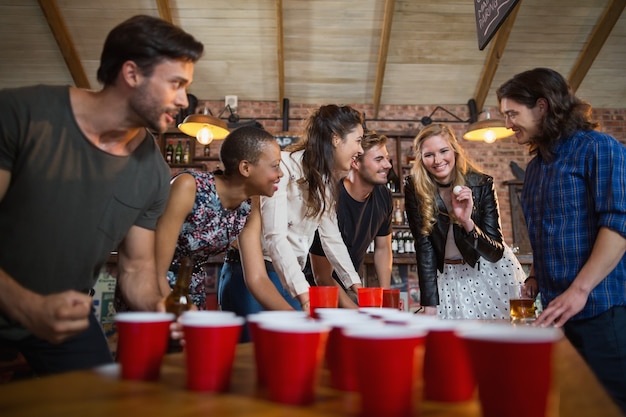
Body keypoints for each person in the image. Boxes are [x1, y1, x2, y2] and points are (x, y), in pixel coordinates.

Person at [0, 15, 203, 375]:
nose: (183, 100)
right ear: (132, 73)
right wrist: (27, 305)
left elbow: (137, 266)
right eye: (176, 84)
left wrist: (158, 306)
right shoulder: (20, 115)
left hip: (65, 320)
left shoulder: (153, 172)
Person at [497, 67, 626, 412]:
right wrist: (536, 276)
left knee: (609, 404)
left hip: (603, 308)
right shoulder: (538, 166)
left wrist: (579, 290)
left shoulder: (600, 148)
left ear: (542, 106)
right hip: (557, 312)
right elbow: (545, 231)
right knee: (569, 404)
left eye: (512, 113)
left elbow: (617, 226)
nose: (508, 123)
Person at [219, 104, 366, 316]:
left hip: (290, 276)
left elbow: (331, 237)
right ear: (336, 139)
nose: (361, 150)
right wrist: (304, 294)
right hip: (252, 273)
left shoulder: (324, 181)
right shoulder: (283, 168)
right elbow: (275, 236)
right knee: (253, 348)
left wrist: (356, 286)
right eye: (358, 140)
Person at [155, 126, 296, 314]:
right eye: (275, 165)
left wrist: (296, 318)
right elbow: (155, 267)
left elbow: (257, 278)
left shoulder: (249, 206)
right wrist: (181, 311)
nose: (281, 174)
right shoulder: (188, 187)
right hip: (153, 289)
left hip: (192, 292)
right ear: (245, 168)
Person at [404, 123, 525, 319]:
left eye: (443, 151)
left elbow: (495, 253)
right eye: (429, 155)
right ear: (420, 158)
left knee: (494, 342)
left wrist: (467, 222)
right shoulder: (415, 187)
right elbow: (424, 247)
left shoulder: (481, 183)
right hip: (447, 276)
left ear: (455, 150)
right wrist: (429, 304)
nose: (437, 160)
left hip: (487, 273)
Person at [307, 130, 394, 308]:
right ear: (355, 162)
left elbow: (383, 249)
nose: (388, 165)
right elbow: (321, 276)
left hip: (351, 285)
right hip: (315, 290)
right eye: (379, 159)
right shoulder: (330, 199)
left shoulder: (383, 195)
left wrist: (384, 298)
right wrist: (356, 312)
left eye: (386, 158)